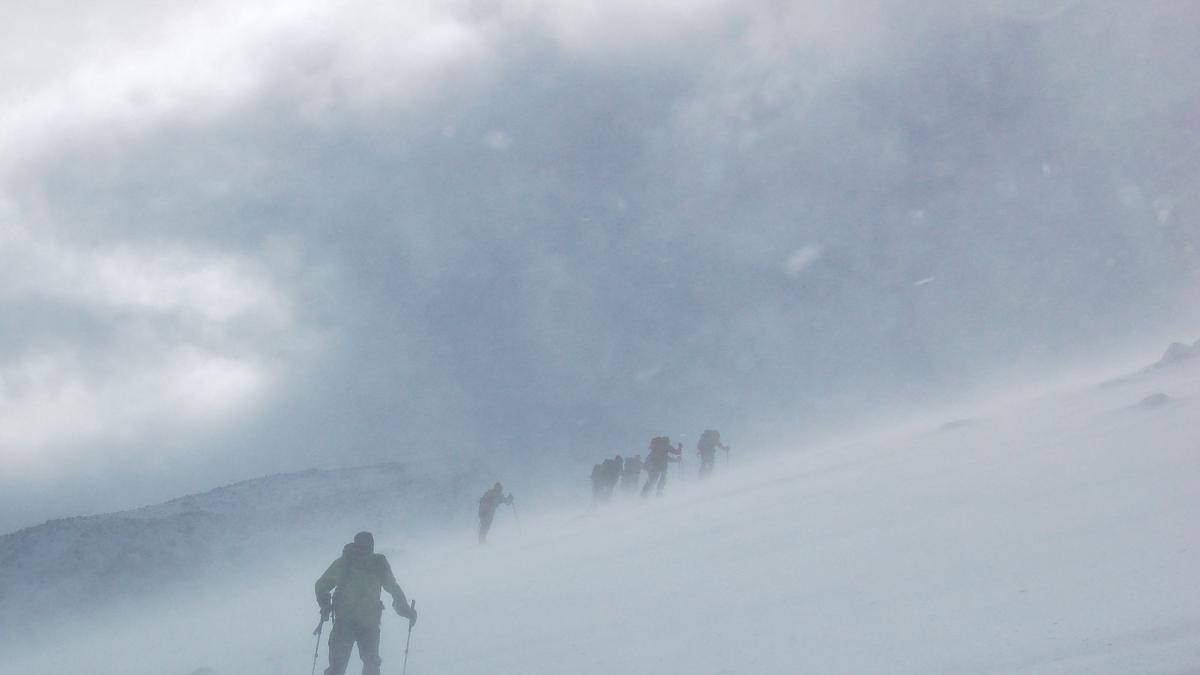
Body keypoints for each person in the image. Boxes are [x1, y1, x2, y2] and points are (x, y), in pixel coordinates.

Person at [315, 531, 416, 675]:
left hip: (353, 623)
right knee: (366, 665)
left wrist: (325, 602)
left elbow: (322, 585)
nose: (365, 549)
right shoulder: (355, 563)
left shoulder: (361, 563)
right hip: (359, 623)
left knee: (345, 666)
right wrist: (405, 610)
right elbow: (393, 588)